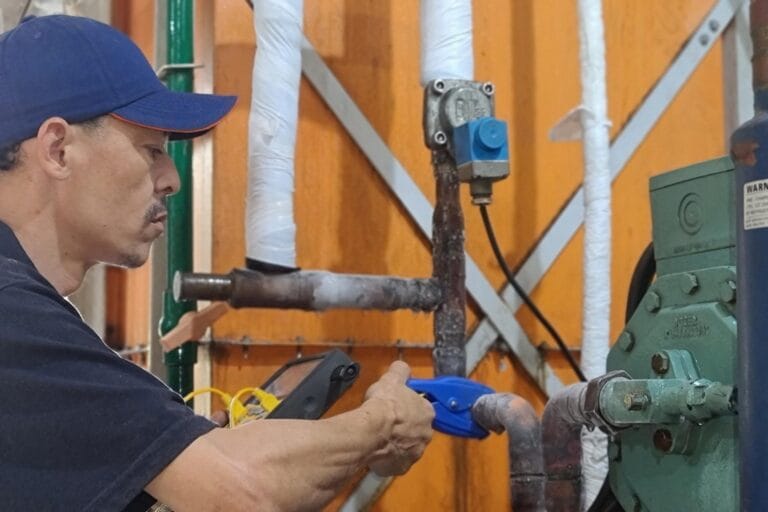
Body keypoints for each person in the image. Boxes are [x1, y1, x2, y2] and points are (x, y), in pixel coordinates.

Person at [0, 14, 434, 511]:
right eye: (151, 151)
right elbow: (244, 491)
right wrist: (381, 424)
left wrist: (192, 447)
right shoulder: (12, 315)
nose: (171, 180)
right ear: (58, 149)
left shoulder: (25, 311)